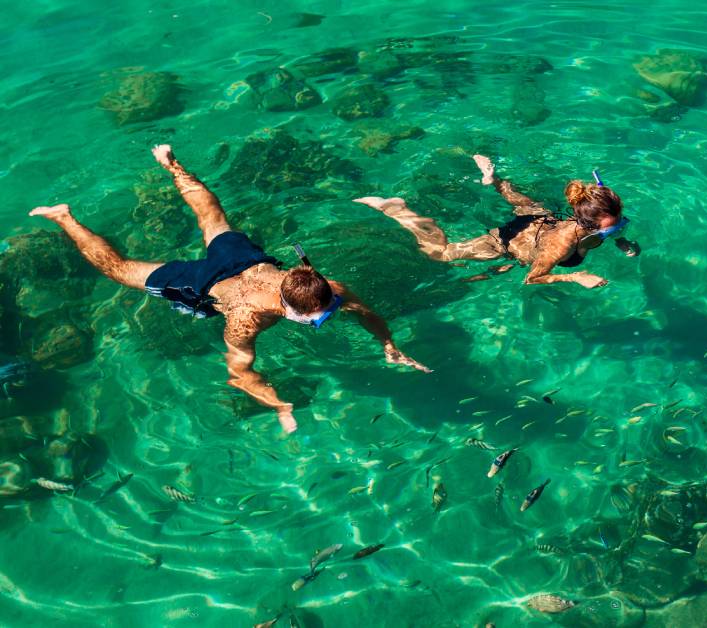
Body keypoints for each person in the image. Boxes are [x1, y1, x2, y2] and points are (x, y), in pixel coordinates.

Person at [28, 145, 430, 434]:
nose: (324, 318)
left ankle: (170, 161)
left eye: (326, 314)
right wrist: (279, 405)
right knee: (119, 270)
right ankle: (64, 217)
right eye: (317, 320)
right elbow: (239, 373)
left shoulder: (330, 288)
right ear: (287, 307)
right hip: (207, 284)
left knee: (212, 216)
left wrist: (387, 343)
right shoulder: (245, 320)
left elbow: (365, 311)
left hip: (244, 261)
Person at [356, 154, 637, 288]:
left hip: (542, 218)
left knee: (526, 206)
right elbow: (531, 278)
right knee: (441, 254)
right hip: (509, 243)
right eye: (615, 225)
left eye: (619, 220)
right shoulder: (559, 247)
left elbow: (605, 229)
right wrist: (575, 276)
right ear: (588, 223)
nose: (619, 223)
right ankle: (398, 211)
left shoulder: (598, 220)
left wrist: (620, 238)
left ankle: (493, 180)